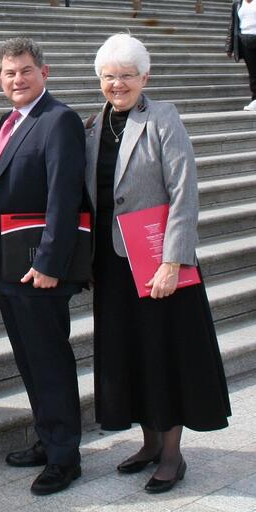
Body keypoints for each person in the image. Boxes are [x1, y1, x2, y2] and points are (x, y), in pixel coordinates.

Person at [86, 33, 231, 494]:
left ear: (144, 78)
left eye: (127, 76)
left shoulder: (163, 118)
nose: (118, 84)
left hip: (158, 263)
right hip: (113, 265)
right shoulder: (93, 126)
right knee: (130, 353)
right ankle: (149, 444)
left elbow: (184, 191)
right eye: (109, 76)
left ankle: (171, 455)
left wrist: (173, 261)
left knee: (165, 354)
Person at [0, 37, 86, 496]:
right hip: (11, 266)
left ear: (45, 73)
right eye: (9, 73)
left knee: (50, 361)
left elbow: (64, 196)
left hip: (38, 268)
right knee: (29, 360)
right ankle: (48, 439)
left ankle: (65, 458)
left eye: (25, 70)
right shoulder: (9, 120)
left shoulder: (58, 119)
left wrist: (49, 263)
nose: (17, 79)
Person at [226, 0, 256, 111]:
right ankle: (255, 100)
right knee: (253, 73)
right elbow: (233, 26)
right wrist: (229, 47)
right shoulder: (238, 4)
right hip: (245, 41)